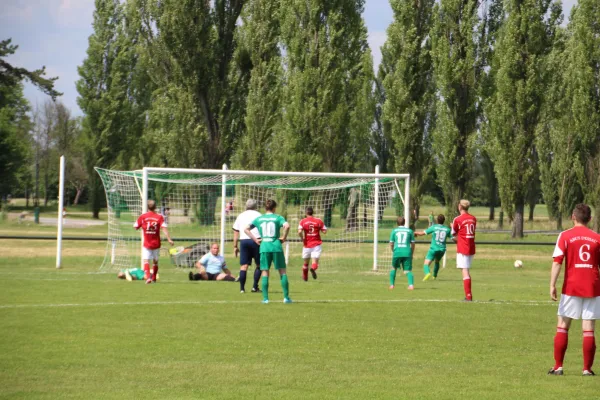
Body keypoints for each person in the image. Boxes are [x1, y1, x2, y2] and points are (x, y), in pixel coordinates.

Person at [548, 203, 600, 376]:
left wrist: (552, 285)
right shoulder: (597, 238)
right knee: (589, 328)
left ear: (573, 217)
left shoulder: (565, 236)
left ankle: (558, 366)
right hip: (592, 286)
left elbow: (557, 262)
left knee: (563, 325)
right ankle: (586, 369)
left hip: (571, 286)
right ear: (590, 219)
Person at [244, 199, 291, 304]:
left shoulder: (259, 219)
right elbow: (287, 226)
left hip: (264, 246)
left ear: (265, 208)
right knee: (282, 271)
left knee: (265, 271)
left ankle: (265, 299)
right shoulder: (278, 217)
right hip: (276, 246)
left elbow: (246, 229)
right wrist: (284, 237)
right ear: (274, 208)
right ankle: (286, 298)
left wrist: (255, 239)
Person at [134, 199, 174, 284]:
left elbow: (135, 226)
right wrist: (169, 239)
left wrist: (143, 227)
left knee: (146, 261)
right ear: (155, 207)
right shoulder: (159, 217)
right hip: (156, 243)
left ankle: (148, 278)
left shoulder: (143, 216)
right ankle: (154, 277)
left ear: (147, 207)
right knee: (155, 261)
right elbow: (164, 228)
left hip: (147, 243)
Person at [232, 199, 262, 293]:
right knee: (259, 265)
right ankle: (254, 287)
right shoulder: (259, 215)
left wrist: (235, 246)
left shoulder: (241, 215)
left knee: (244, 266)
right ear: (255, 206)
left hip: (244, 241)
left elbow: (236, 231)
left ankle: (242, 289)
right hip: (256, 240)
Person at [452, 199, 476, 301]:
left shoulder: (457, 219)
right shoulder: (473, 218)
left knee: (465, 271)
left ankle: (468, 296)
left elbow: (454, 235)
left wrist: (453, 232)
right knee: (466, 270)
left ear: (460, 207)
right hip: (471, 247)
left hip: (463, 248)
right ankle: (468, 295)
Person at [415, 214, 451, 281]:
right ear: (444, 221)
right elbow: (453, 237)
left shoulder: (434, 227)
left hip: (434, 248)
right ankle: (434, 276)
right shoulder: (447, 229)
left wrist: (415, 233)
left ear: (437, 220)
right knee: (437, 262)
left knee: (426, 264)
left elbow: (422, 233)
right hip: (442, 249)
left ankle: (427, 273)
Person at [298, 206, 327, 281]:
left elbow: (299, 231)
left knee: (305, 263)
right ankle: (313, 268)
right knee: (315, 262)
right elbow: (324, 231)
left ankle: (305, 277)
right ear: (312, 212)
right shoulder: (318, 220)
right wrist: (319, 229)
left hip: (307, 244)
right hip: (316, 244)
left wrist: (302, 238)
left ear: (306, 213)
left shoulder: (303, 221)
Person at [389, 216, 416, 290]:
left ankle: (392, 285)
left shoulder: (394, 231)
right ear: (404, 222)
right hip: (407, 252)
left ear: (397, 223)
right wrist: (411, 253)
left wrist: (393, 250)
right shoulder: (410, 231)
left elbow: (391, 244)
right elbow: (413, 244)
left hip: (397, 252)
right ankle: (411, 285)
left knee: (393, 268)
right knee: (408, 270)